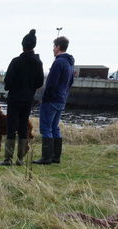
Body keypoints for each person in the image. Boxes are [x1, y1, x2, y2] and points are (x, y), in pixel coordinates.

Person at [0, 29, 44, 166]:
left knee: (11, 126)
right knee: (23, 126)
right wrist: (30, 89)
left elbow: (8, 82)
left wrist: (10, 86)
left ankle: (8, 158)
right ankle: (20, 159)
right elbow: (40, 82)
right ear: (34, 45)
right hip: (28, 98)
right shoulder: (38, 63)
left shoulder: (16, 61)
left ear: (23, 45)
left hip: (14, 98)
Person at [34, 36, 75, 165]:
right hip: (61, 99)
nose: (53, 49)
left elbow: (51, 83)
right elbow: (70, 82)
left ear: (58, 47)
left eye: (54, 47)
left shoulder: (58, 62)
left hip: (51, 100)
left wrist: (44, 98)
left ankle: (46, 158)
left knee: (46, 128)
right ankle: (55, 157)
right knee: (55, 127)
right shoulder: (69, 63)